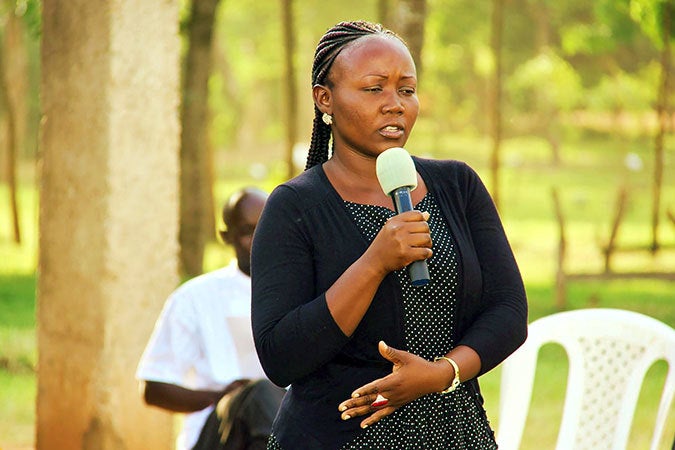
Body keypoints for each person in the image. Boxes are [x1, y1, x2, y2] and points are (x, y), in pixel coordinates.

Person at [250, 20, 528, 450]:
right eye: (374, 88)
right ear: (325, 99)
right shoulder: (294, 206)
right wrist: (374, 262)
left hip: (455, 433)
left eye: (407, 89)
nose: (394, 104)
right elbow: (280, 356)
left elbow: (508, 311)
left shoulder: (457, 185)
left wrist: (441, 374)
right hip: (338, 437)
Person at [136, 187, 285, 450]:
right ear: (226, 236)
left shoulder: (298, 292)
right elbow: (154, 388)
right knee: (258, 395)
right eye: (247, 232)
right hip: (216, 434)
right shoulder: (195, 298)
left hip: (282, 424)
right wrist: (221, 396)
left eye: (266, 227)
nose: (259, 238)